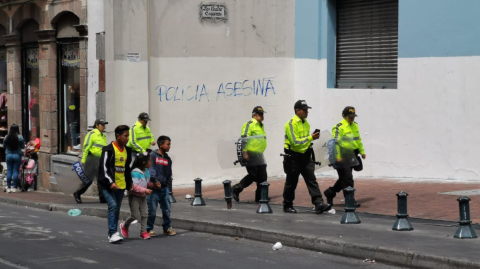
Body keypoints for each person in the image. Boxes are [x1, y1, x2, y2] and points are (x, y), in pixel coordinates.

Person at [282, 100, 331, 214]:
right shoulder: (291, 124)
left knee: (311, 180)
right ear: (297, 111)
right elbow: (295, 142)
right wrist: (310, 138)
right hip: (293, 157)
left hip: (305, 156)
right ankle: (287, 205)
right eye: (304, 110)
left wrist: (312, 140)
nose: (307, 112)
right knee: (291, 182)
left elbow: (305, 141)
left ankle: (318, 203)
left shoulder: (306, 123)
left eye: (307, 110)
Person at [97, 125, 133, 243]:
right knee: (112, 206)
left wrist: (129, 183)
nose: (127, 138)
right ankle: (112, 233)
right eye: (125, 136)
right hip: (108, 185)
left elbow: (127, 169)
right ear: (118, 136)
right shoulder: (108, 150)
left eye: (128, 136)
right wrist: (111, 182)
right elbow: (104, 168)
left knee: (116, 209)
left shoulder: (127, 151)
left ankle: (112, 232)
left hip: (121, 185)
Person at [324, 106, 366, 207]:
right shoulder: (339, 127)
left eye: (353, 116)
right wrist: (338, 156)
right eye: (349, 116)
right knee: (348, 178)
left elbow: (358, 140)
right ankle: (350, 200)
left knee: (344, 178)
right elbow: (336, 143)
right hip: (342, 155)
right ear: (344, 116)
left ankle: (330, 193)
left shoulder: (355, 125)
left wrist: (362, 151)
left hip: (353, 154)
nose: (352, 118)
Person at [232, 106, 267, 202]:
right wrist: (245, 152)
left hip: (259, 154)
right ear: (254, 115)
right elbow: (244, 138)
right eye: (260, 114)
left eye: (263, 114)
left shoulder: (261, 125)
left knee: (262, 176)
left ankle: (260, 197)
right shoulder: (249, 124)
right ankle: (236, 189)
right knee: (253, 175)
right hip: (250, 153)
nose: (262, 116)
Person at [73, 119, 108, 204]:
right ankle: (77, 193)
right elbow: (86, 148)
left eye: (104, 125)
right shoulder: (91, 134)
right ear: (97, 125)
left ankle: (102, 197)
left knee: (101, 179)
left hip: (100, 160)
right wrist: (83, 159)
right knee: (88, 180)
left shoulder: (103, 136)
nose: (104, 127)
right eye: (102, 125)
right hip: (92, 160)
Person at [146, 135, 176, 237]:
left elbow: (169, 174)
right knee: (152, 211)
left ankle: (167, 228)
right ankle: (149, 229)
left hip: (164, 189)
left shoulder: (168, 159)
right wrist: (155, 181)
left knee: (166, 209)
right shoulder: (153, 155)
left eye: (170, 144)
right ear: (161, 144)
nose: (169, 146)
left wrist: (167, 183)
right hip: (153, 189)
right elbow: (151, 170)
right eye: (168, 144)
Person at [120, 152, 153, 240]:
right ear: (143, 162)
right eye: (149, 161)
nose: (151, 162)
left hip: (143, 196)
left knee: (145, 214)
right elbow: (134, 187)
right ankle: (124, 225)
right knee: (134, 215)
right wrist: (145, 190)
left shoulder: (146, 171)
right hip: (134, 197)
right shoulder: (134, 172)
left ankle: (143, 232)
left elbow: (146, 182)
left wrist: (152, 185)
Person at [3, 124, 25, 193]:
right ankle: (15, 187)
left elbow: (4, 146)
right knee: (15, 171)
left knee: (9, 171)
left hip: (8, 155)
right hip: (17, 155)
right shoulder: (20, 137)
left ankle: (8, 187)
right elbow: (23, 147)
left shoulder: (6, 137)